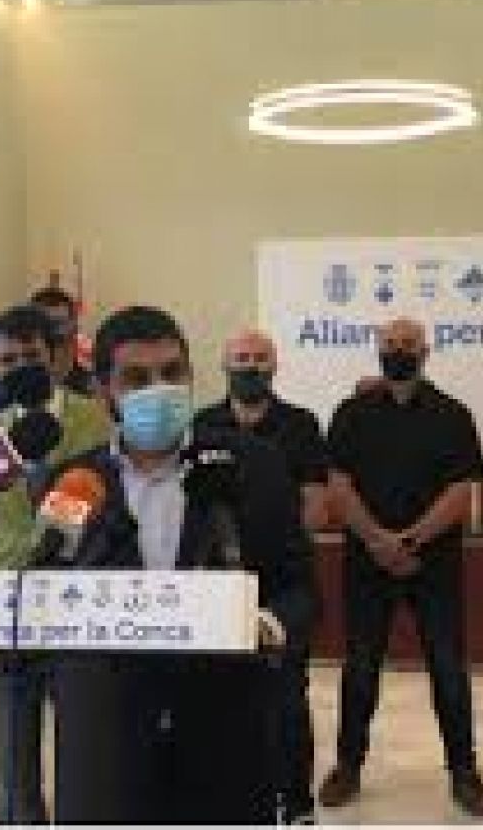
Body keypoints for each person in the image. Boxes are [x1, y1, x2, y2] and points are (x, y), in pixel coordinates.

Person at [50, 305, 316, 824]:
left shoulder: (254, 466)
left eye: (172, 373)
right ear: (104, 392)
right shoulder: (73, 484)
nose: (159, 389)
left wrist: (270, 624)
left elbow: (300, 587)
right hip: (108, 741)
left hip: (225, 733)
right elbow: (47, 582)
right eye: (136, 378)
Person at [318, 318, 483, 818]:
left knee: (448, 669)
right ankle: (347, 767)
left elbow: (461, 490)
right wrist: (378, 540)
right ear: (377, 350)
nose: (398, 351)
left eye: (408, 345)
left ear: (425, 352)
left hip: (433, 562)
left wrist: (410, 540)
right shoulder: (351, 414)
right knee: (360, 669)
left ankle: (464, 772)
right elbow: (338, 485)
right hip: (366, 561)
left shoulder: (453, 415)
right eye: (390, 344)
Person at [0, 305, 110, 824]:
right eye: (7, 360)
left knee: (88, 771)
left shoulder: (96, 418)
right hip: (4, 617)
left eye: (30, 356)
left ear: (55, 356)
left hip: (77, 614)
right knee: (14, 782)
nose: (19, 367)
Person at [194, 328, 331, 824]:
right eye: (241, 358)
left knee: (287, 699)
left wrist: (272, 536)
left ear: (274, 366)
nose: (250, 367)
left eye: (259, 358)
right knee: (219, 702)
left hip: (281, 582)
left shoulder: (301, 425)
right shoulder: (201, 426)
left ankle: (296, 804)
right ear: (224, 366)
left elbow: (316, 503)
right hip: (214, 587)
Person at [29, 286, 93, 397]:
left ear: (74, 327)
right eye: (42, 325)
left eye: (58, 323)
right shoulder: (16, 389)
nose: (51, 333)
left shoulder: (93, 388)